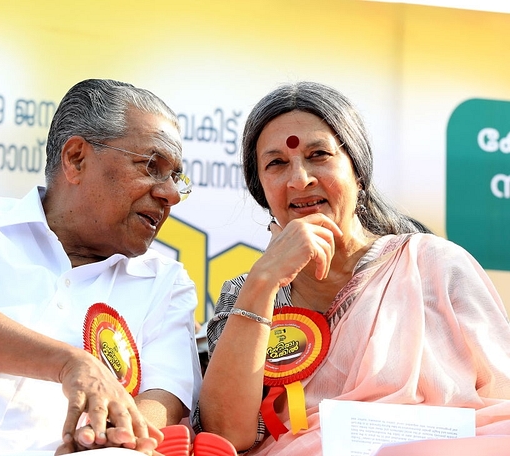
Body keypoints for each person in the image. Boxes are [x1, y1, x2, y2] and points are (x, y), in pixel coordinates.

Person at [0, 79, 202, 455]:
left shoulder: (165, 283)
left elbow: (164, 398)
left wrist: (109, 439)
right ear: (76, 158)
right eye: (152, 166)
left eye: (176, 178)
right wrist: (71, 364)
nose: (171, 194)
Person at [191, 81, 510, 455]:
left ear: (358, 171)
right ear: (260, 188)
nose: (299, 179)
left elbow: (500, 412)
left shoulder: (434, 266)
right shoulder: (247, 291)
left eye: (319, 155)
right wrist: (264, 282)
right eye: (276, 163)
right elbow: (227, 435)